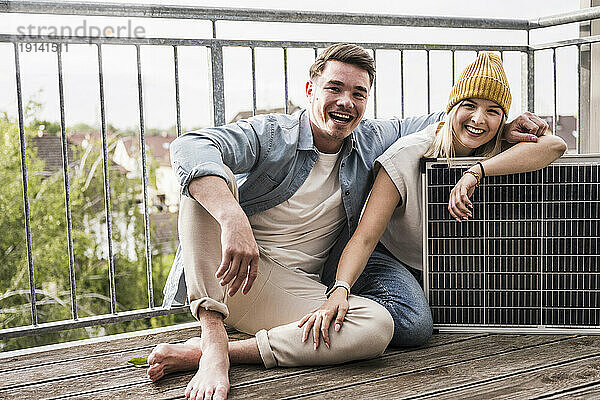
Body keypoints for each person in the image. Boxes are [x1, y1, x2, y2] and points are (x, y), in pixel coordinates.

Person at [147, 44, 550, 400]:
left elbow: (448, 120)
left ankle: (215, 354)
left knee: (376, 328)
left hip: (288, 289)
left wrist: (504, 126)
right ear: (310, 90)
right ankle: (213, 339)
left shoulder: (373, 138)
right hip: (229, 274)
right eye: (334, 88)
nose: (346, 102)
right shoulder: (271, 133)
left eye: (358, 94)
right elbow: (190, 145)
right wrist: (233, 216)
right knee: (203, 185)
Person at [298, 52, 567, 347]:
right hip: (381, 255)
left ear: (503, 118)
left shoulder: (493, 148)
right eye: (469, 105)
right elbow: (364, 237)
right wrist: (341, 288)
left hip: (434, 262)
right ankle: (320, 314)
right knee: (416, 325)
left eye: (493, 111)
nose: (479, 119)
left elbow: (554, 145)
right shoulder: (407, 154)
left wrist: (475, 172)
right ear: (452, 108)